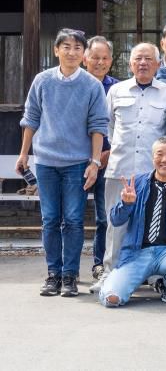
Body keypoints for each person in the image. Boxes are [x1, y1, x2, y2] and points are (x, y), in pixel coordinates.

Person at [17, 28, 108, 297]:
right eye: (65, 47)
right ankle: (53, 274)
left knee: (73, 219)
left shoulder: (91, 85)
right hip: (45, 161)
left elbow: (98, 126)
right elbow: (30, 118)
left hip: (77, 163)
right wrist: (24, 154)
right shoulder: (42, 81)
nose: (71, 52)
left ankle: (70, 275)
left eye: (77, 48)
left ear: (84, 54)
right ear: (56, 50)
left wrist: (94, 162)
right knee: (50, 219)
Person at [102, 43, 166, 282]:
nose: (143, 63)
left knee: (151, 223)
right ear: (130, 63)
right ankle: (110, 272)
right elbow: (108, 126)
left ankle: (151, 275)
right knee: (116, 224)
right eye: (138, 59)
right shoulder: (116, 90)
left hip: (152, 172)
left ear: (157, 64)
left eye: (148, 59)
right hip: (120, 168)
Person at [98, 137, 166, 307]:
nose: (164, 160)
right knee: (111, 299)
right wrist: (126, 204)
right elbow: (116, 221)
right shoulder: (136, 184)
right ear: (153, 158)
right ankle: (115, 283)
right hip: (138, 252)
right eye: (159, 154)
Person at [83, 35, 118, 285]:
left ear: (111, 61)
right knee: (70, 218)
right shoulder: (75, 84)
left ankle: (100, 264)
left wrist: (107, 153)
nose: (100, 62)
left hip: (109, 161)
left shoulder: (117, 88)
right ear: (85, 58)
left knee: (105, 217)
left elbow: (123, 127)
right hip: (76, 160)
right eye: (95, 57)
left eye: (105, 58)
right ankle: (66, 270)